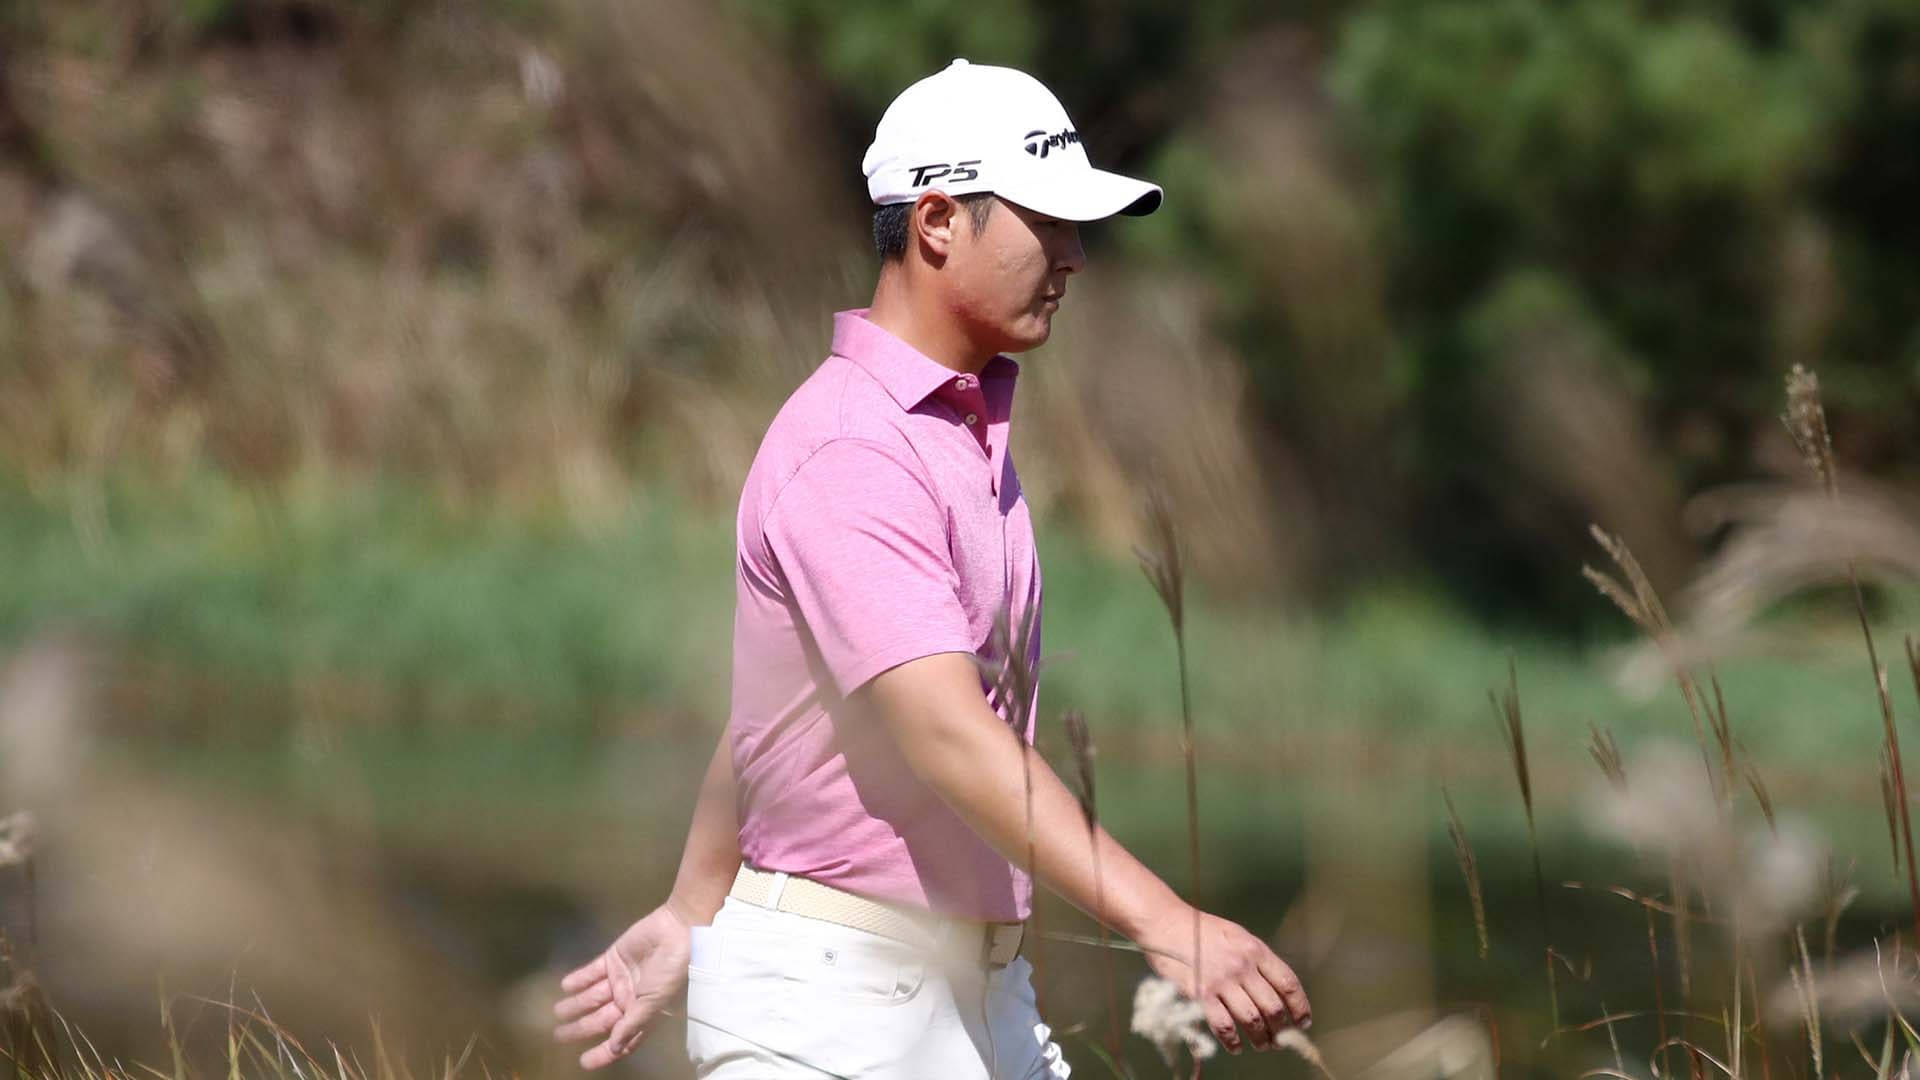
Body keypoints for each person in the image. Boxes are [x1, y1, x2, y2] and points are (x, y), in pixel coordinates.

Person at [552, 59, 1310, 1078]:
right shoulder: (853, 449)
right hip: (833, 1013)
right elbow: (943, 731)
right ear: (939, 222)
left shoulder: (956, 432)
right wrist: (1166, 922)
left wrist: (694, 906)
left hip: (975, 998)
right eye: (1050, 224)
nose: (1075, 258)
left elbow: (788, 709)